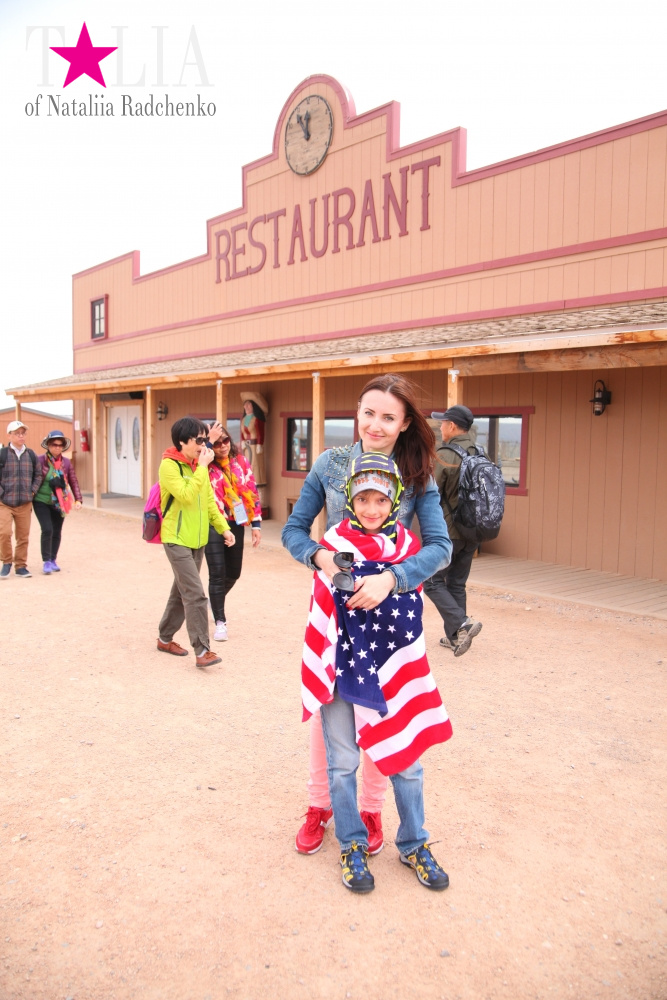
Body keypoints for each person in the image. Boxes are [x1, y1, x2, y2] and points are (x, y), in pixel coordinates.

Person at [282, 373, 452, 857]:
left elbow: (440, 547)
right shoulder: (330, 464)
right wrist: (319, 556)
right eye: (369, 413)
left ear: (404, 424)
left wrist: (392, 579)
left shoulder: (417, 475)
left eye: (388, 417)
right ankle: (320, 805)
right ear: (357, 412)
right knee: (330, 702)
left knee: (382, 707)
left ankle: (371, 808)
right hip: (336, 608)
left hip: (388, 612)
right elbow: (294, 530)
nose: (375, 424)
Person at [156, 416, 235, 669]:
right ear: (182, 441)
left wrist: (224, 528)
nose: (203, 445)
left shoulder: (196, 466)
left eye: (204, 440)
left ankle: (164, 638)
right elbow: (187, 495)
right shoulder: (169, 466)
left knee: (180, 592)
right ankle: (202, 650)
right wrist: (202, 468)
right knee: (196, 595)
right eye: (199, 440)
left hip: (197, 541)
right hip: (176, 539)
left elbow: (209, 502)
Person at [423, 405, 483, 656]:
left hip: (448, 530)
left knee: (431, 581)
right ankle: (456, 638)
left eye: (444, 423)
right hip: (474, 530)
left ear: (453, 426)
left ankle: (462, 623)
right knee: (457, 583)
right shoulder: (480, 452)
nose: (441, 427)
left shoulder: (446, 454)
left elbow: (430, 490)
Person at [205, 427, 262, 641]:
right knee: (217, 573)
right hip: (213, 523)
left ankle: (214, 601)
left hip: (236, 521)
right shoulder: (204, 464)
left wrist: (256, 525)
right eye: (216, 443)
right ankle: (220, 622)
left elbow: (252, 491)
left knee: (234, 572)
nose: (223, 446)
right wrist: (207, 446)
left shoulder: (240, 462)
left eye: (225, 440)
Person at [34, 430, 83, 574]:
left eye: (60, 445)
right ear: (48, 445)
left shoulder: (66, 463)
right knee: (47, 529)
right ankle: (46, 561)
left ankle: (53, 559)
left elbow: (73, 481)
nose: (57, 447)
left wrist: (78, 499)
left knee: (56, 530)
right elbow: (33, 479)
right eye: (54, 444)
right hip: (41, 500)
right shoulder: (40, 460)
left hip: (60, 502)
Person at [0, 420, 42, 579]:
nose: (21, 436)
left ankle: (21, 566)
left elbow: (38, 475)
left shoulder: (31, 455)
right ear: (9, 435)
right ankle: (6, 562)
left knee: (23, 536)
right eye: (17, 433)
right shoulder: (2, 454)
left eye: (23, 433)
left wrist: (32, 491)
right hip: (4, 503)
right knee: (4, 533)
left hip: (24, 503)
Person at [240, 395, 267, 485]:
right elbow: (242, 432)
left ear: (254, 406)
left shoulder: (257, 419)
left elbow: (260, 432)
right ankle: (247, 481)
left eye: (249, 404)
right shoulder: (244, 419)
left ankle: (257, 482)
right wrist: (243, 441)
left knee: (255, 464)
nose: (246, 407)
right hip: (247, 446)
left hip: (255, 446)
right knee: (247, 463)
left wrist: (259, 444)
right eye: (245, 405)